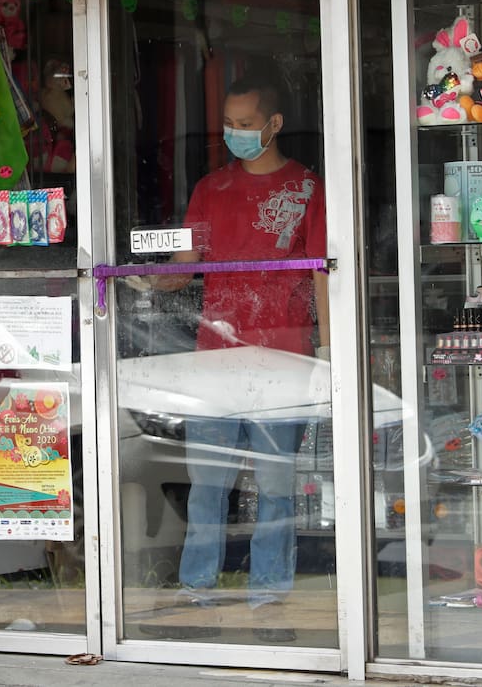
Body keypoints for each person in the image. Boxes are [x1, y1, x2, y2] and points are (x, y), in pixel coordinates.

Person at [127, 74, 329, 642]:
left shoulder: (309, 190)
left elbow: (321, 275)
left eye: (244, 124)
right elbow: (186, 263)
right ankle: (197, 593)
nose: (234, 133)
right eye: (229, 124)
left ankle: (269, 599)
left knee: (276, 489)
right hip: (215, 361)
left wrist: (330, 353)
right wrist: (150, 277)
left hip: (284, 358)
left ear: (274, 124)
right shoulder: (211, 189)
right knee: (208, 486)